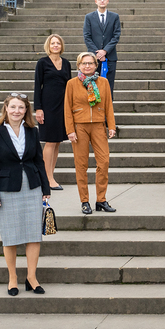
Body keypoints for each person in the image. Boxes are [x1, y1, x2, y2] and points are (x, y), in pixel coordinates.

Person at [0, 93, 50, 296]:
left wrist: (45, 189)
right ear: (6, 109)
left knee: (33, 235)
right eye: (13, 107)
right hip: (7, 189)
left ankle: (31, 277)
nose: (16, 111)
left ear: (26, 111)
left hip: (32, 186)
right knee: (10, 236)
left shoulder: (32, 131)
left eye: (21, 108)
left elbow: (39, 162)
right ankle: (12, 278)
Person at [65, 52, 117, 215]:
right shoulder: (72, 84)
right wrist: (70, 130)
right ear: (78, 65)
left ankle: (101, 199)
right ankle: (84, 200)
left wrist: (112, 126)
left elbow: (109, 104)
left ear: (96, 65)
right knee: (81, 165)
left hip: (99, 125)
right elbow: (67, 108)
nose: (87, 66)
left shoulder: (103, 82)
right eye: (84, 63)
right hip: (80, 126)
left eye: (90, 63)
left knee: (104, 162)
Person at [33, 34, 71, 190]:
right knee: (50, 141)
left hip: (63, 106)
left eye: (58, 43)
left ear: (61, 46)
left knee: (57, 142)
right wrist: (38, 108)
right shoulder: (42, 63)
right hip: (48, 106)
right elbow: (37, 86)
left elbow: (69, 85)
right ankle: (46, 178)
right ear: (48, 45)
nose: (56, 45)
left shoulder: (67, 63)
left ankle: (51, 175)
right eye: (53, 43)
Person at [82, 0, 121, 92]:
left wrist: (105, 51)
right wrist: (98, 52)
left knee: (109, 86)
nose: (102, 1)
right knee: (93, 85)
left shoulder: (114, 17)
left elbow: (116, 36)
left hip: (110, 57)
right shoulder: (89, 17)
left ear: (108, 1)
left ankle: (108, 107)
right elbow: (87, 36)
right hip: (93, 57)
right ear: (96, 1)